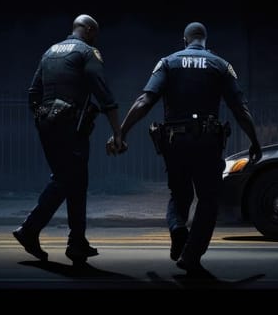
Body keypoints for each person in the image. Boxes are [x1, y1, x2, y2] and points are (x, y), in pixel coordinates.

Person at [107, 22, 262, 273]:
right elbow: (240, 109)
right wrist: (254, 141)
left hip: (175, 142)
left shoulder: (168, 62)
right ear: (205, 40)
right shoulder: (220, 65)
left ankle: (178, 228)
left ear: (185, 40)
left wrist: (121, 133)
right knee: (208, 199)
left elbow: (145, 100)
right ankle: (190, 256)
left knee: (179, 195)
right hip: (208, 143)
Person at [13, 14, 127, 265]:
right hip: (71, 127)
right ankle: (29, 229)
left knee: (75, 180)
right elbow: (103, 92)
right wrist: (118, 131)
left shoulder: (49, 52)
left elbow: (34, 92)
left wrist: (44, 116)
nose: (95, 37)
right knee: (67, 179)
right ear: (86, 29)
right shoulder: (87, 52)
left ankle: (78, 243)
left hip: (47, 125)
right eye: (94, 31)